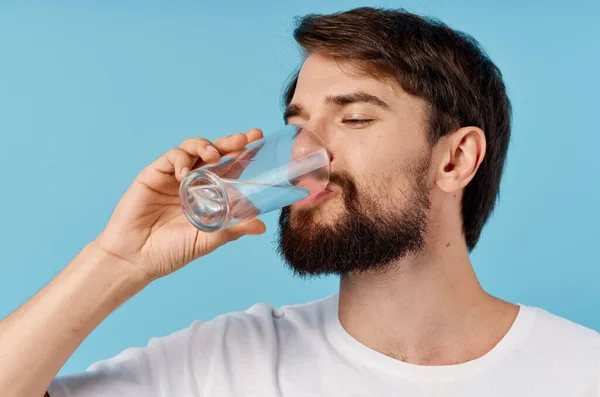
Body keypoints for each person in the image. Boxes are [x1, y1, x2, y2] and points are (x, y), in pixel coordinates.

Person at [1, 7, 598, 397]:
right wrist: (118, 261)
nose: (307, 152)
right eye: (299, 123)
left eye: (356, 117)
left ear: (455, 160)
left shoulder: (580, 371)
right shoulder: (227, 363)